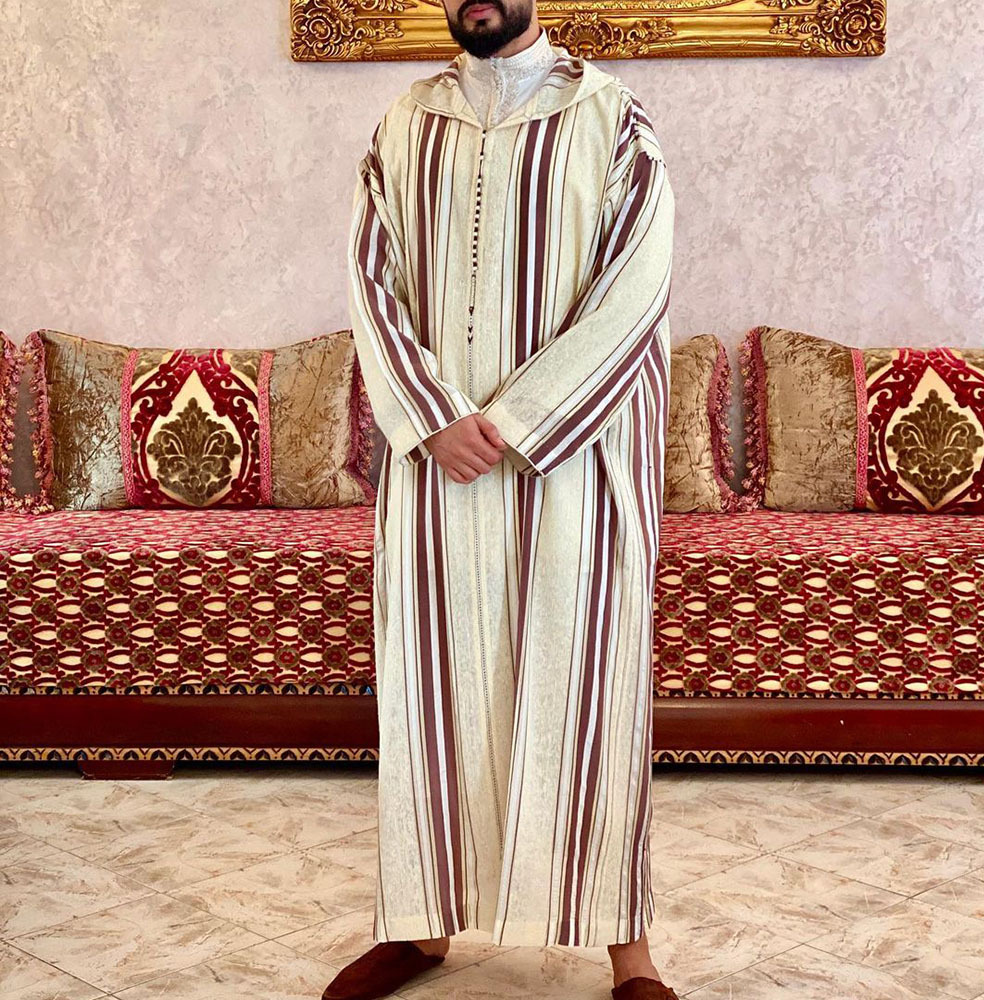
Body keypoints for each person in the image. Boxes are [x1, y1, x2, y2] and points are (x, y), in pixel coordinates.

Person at [329, 0, 675, 995]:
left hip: (573, 464)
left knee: (587, 691)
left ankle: (628, 950)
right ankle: (421, 925)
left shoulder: (611, 118)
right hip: (435, 463)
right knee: (431, 693)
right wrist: (433, 416)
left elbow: (636, 288)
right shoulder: (406, 123)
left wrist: (518, 419)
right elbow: (370, 281)